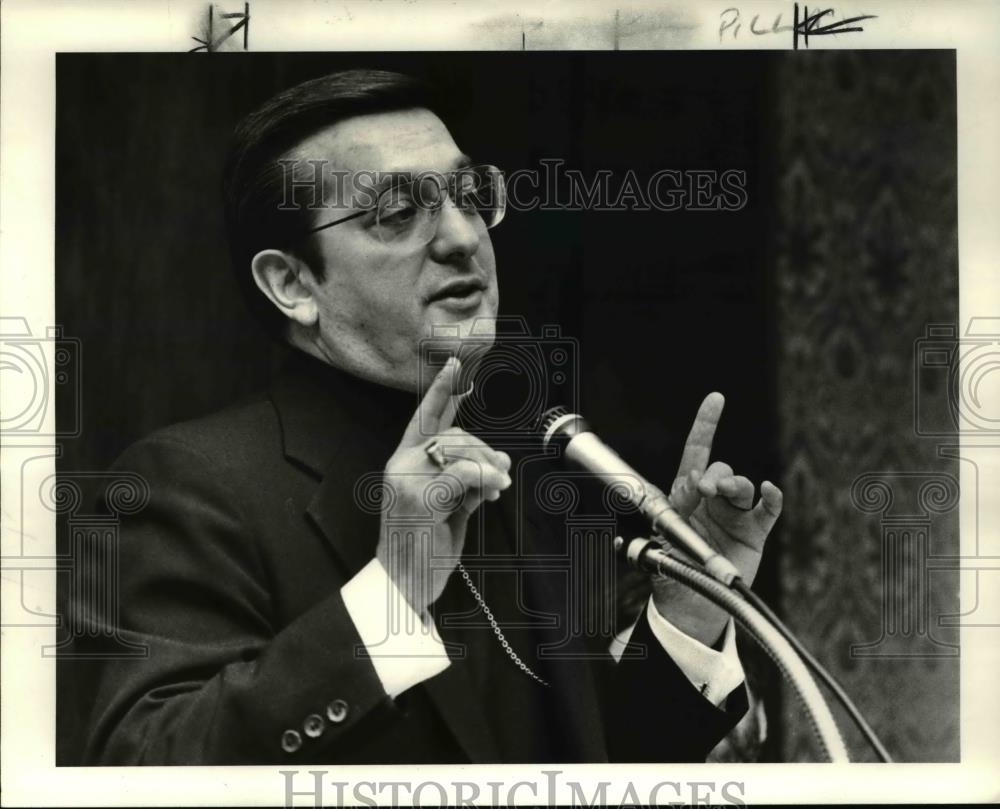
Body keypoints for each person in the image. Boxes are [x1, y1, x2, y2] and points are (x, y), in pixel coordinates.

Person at [77, 69, 783, 765]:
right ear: (292, 283)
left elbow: (589, 762)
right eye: (396, 212)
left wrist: (692, 606)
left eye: (471, 195)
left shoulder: (524, 468)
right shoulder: (191, 484)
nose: (462, 237)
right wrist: (395, 592)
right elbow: (143, 768)